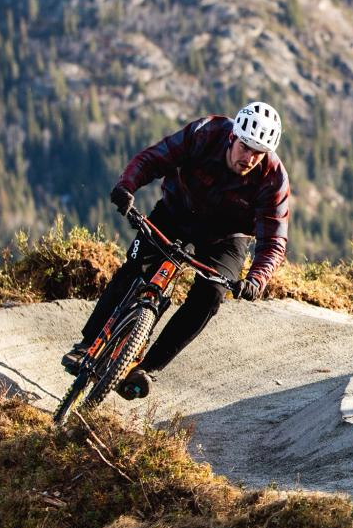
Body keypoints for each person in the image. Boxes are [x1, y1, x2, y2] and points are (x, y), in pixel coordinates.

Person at [63, 101, 291, 398]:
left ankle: (146, 368)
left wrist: (256, 280)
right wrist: (127, 186)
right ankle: (87, 344)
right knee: (135, 268)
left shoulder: (273, 179)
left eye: (258, 153)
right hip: (176, 212)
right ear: (233, 136)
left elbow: (274, 241)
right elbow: (154, 159)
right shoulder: (205, 133)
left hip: (225, 237)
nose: (250, 158)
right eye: (245, 147)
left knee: (210, 296)